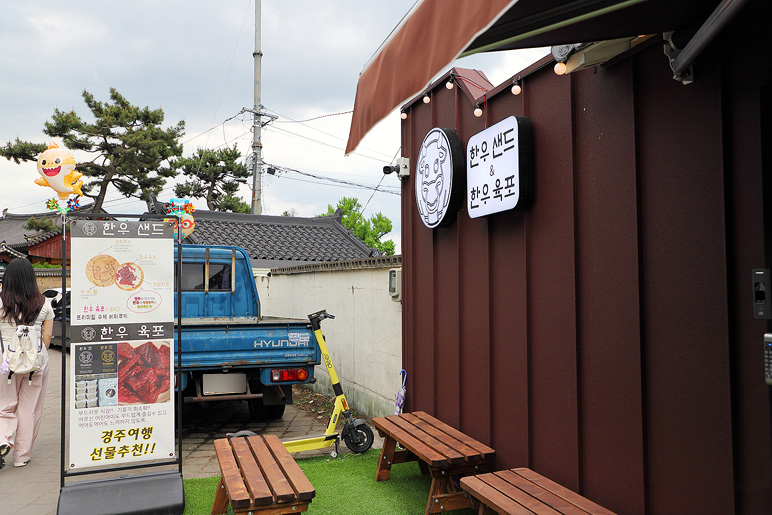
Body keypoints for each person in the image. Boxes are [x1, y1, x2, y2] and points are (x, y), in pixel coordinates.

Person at [0, 258, 54, 468]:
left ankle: (3, 439)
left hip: (6, 362)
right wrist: (34, 358)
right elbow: (47, 337)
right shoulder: (44, 304)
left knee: (4, 406)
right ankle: (21, 456)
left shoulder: (2, 303)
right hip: (37, 362)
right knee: (29, 408)